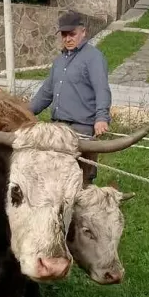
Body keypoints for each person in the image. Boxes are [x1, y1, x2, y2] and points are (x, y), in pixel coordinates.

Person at [29, 10, 112, 183]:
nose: (68, 39)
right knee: (55, 176)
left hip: (82, 130)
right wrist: (25, 112)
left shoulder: (94, 58)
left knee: (80, 178)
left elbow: (101, 89)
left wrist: (102, 118)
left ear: (83, 32)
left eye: (72, 34)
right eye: (64, 35)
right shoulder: (59, 62)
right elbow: (46, 93)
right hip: (58, 128)